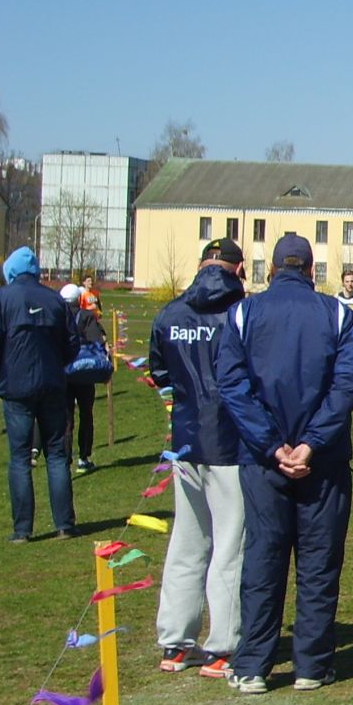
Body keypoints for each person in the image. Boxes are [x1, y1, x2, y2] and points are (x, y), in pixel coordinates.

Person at [217, 235, 353, 694]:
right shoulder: (337, 314)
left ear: (273, 269)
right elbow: (347, 385)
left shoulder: (243, 313)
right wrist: (310, 445)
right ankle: (311, 665)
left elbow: (232, 384)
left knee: (263, 556)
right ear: (312, 269)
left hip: (266, 462)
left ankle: (253, 665)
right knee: (319, 563)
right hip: (321, 461)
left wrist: (273, 445)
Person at [148, 237, 248, 678]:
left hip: (186, 440)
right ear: (238, 267)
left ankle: (175, 640)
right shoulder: (242, 312)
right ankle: (223, 645)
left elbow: (160, 373)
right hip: (230, 442)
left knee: (187, 544)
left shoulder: (170, 313)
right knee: (230, 544)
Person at [0, 247, 78, 541]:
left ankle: (22, 530)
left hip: (16, 385)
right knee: (56, 454)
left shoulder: (2, 298)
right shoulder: (55, 299)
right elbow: (72, 342)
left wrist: (0, 373)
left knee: (19, 457)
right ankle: (65, 524)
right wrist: (57, 365)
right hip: (52, 382)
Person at [59, 283, 106, 473]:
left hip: (63, 373)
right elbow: (97, 341)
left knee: (66, 419)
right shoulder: (86, 316)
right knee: (86, 414)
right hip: (84, 373)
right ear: (79, 299)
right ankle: (84, 457)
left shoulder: (57, 317)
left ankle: (64, 458)